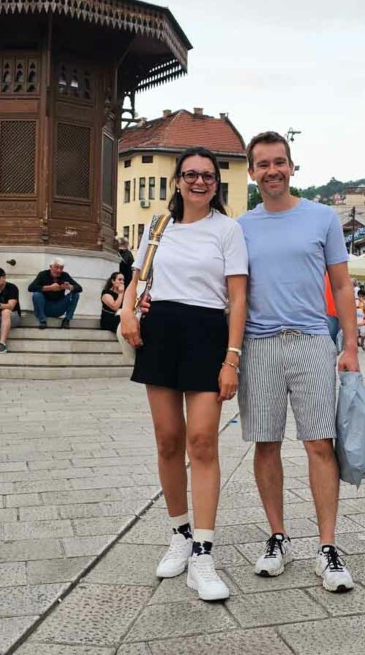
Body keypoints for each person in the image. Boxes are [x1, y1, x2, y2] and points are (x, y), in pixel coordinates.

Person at [120, 147, 248, 602]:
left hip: (207, 335)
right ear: (177, 180)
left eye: (208, 176)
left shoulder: (228, 230)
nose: (199, 182)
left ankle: (204, 552)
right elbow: (136, 279)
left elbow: (238, 299)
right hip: (160, 334)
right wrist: (127, 313)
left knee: (203, 440)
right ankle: (179, 531)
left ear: (218, 184)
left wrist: (231, 358)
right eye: (190, 175)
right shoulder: (159, 227)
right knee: (168, 439)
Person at [238, 131, 358, 594]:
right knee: (265, 444)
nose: (272, 171)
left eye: (280, 162)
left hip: (311, 340)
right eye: (263, 164)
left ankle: (327, 547)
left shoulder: (322, 217)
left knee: (319, 446)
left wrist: (349, 345)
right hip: (259, 344)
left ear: (292, 166)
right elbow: (233, 293)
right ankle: (278, 536)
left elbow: (343, 286)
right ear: (252, 172)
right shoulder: (241, 226)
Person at [28, 259, 82, 329]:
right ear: (51, 266)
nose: (59, 270)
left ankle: (67, 320)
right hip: (45, 307)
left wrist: (69, 287)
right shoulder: (43, 274)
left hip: (59, 307)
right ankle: (42, 320)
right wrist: (49, 288)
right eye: (57, 267)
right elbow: (31, 288)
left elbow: (79, 288)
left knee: (75, 294)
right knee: (36, 294)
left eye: (61, 268)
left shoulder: (65, 275)